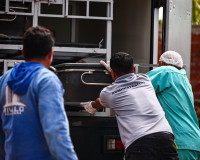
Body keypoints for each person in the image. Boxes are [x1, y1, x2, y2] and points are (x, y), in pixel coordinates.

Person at [0, 26, 78, 160]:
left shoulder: (4, 80)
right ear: (50, 53)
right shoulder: (46, 80)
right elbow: (55, 131)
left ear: (23, 52)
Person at [81, 52, 179, 160]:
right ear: (134, 69)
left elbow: (99, 103)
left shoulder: (108, 93)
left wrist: (91, 105)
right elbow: (131, 83)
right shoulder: (145, 80)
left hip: (140, 142)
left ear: (112, 73)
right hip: (166, 138)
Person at [146, 51, 200, 160]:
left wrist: (120, 76)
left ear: (160, 63)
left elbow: (137, 86)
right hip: (193, 140)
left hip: (179, 142)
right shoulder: (183, 79)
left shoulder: (166, 71)